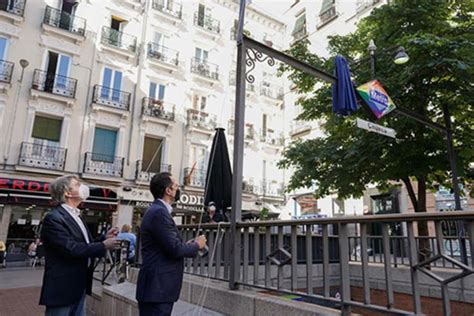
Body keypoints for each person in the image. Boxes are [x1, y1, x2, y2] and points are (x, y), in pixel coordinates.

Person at [39, 175, 121, 316]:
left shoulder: (77, 216)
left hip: (79, 285)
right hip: (63, 288)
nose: (83, 187)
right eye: (77, 184)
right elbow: (70, 249)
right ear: (68, 193)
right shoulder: (54, 218)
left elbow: (84, 245)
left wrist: (104, 238)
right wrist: (103, 245)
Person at [136, 172, 207, 316]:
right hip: (157, 290)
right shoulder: (159, 213)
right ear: (168, 191)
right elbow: (174, 249)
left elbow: (167, 245)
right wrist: (197, 245)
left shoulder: (157, 211)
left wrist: (186, 245)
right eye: (176, 186)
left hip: (157, 289)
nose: (178, 189)